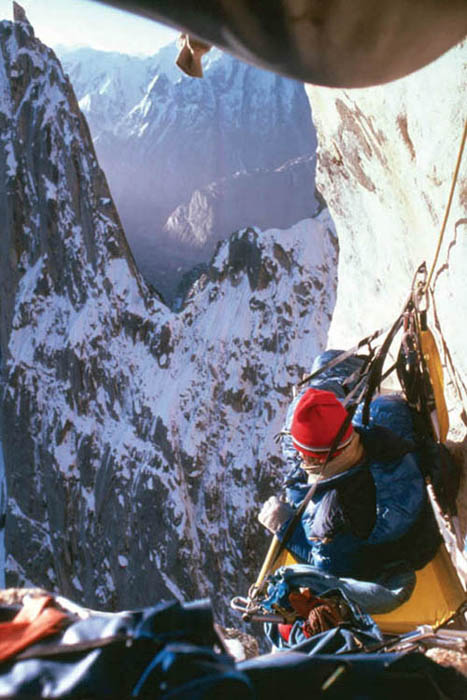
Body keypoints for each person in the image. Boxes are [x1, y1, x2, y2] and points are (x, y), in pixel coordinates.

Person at [259, 354, 441, 624]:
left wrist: (282, 523)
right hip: (396, 484)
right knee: (322, 369)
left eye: (301, 453)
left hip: (384, 550)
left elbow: (326, 566)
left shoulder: (329, 520)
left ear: (314, 458)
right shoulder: (382, 419)